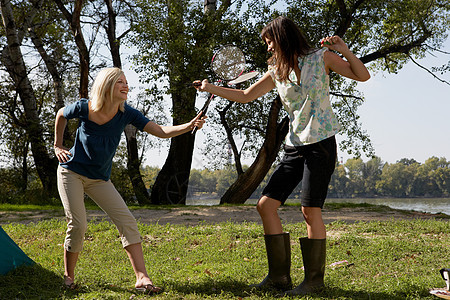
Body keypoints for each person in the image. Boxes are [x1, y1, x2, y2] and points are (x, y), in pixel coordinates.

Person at [193, 16, 370, 296]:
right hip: (294, 145)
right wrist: (210, 88)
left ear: (282, 37)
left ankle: (313, 282)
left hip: (321, 143)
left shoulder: (321, 57)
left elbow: (362, 75)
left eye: (269, 41)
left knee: (310, 211)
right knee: (265, 205)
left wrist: (344, 50)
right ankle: (279, 278)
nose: (267, 49)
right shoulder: (277, 70)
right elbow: (246, 95)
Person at [54, 67, 205, 294]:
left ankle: (142, 278)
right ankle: (68, 277)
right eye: (120, 82)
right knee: (78, 224)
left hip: (99, 179)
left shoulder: (128, 113)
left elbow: (161, 131)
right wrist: (58, 144)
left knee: (127, 221)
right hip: (71, 172)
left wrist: (189, 126)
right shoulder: (85, 107)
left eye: (126, 82)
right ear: (107, 85)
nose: (126, 86)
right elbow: (61, 114)